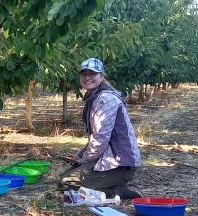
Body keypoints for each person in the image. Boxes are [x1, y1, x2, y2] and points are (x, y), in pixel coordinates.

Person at [58, 58, 143, 199]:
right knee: (65, 179)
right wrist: (80, 155)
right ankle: (114, 186)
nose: (87, 77)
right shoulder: (95, 97)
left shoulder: (105, 100)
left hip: (119, 163)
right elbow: (95, 136)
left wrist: (84, 159)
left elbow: (100, 138)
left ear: (102, 77)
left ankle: (118, 191)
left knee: (67, 184)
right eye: (83, 74)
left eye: (92, 74)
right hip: (109, 160)